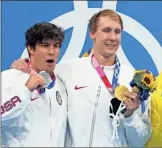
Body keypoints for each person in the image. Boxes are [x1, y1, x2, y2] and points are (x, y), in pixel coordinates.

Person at [9, 9, 152, 147]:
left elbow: (140, 141)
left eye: (117, 31)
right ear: (92, 33)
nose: (113, 37)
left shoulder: (134, 79)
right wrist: (24, 65)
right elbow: (40, 70)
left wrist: (130, 115)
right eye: (106, 30)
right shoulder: (67, 69)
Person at [1, 22, 68, 147]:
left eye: (56, 46)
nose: (52, 52)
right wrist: (25, 90)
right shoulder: (10, 78)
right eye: (45, 45)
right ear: (30, 49)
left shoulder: (61, 84)